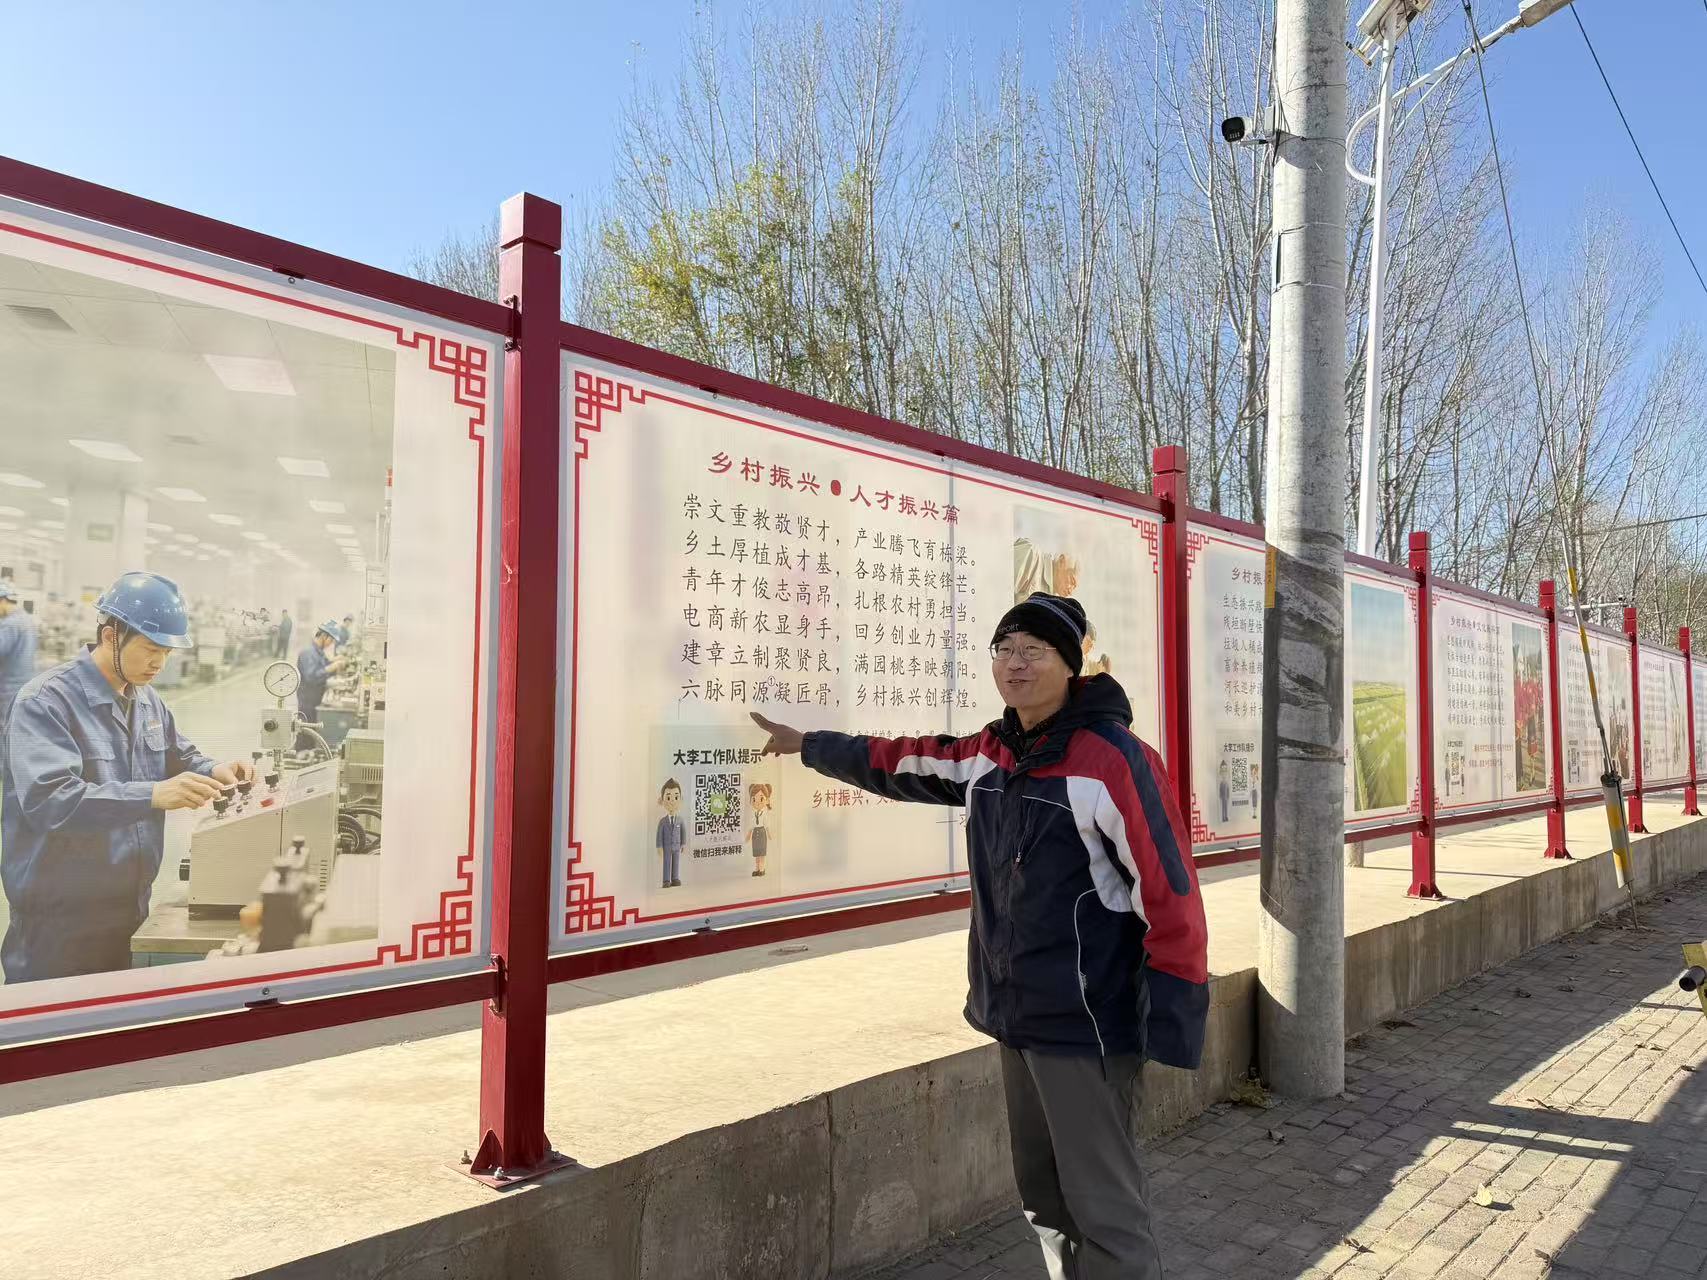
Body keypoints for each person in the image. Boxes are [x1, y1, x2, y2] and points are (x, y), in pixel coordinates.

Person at [751, 592, 1208, 1280]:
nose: (1016, 664)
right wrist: (809, 745)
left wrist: (1173, 1011)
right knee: (1043, 1197)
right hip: (1014, 1014)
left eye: (1034, 651)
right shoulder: (990, 754)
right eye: (1005, 650)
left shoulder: (1111, 759)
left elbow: (1169, 892)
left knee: (1103, 1208)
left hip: (1085, 1023)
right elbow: (901, 760)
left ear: (1070, 665)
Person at [1, 572, 256, 983]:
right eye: (152, 649)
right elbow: (51, 801)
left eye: (167, 652)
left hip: (129, 907)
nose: (160, 663)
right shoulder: (45, 702)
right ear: (111, 636)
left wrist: (214, 769)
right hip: (60, 921)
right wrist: (152, 795)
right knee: (56, 1020)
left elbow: (180, 755)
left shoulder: (147, 699)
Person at [0, 581, 40, 750]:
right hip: (24, 684)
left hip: (9, 687)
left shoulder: (10, 624)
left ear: (3, 601)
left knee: (6, 731)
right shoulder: (26, 619)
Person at [294, 620, 346, 735]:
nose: (331, 644)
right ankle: (302, 747)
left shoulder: (318, 652)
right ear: (323, 636)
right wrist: (331, 667)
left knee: (313, 732)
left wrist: (334, 662)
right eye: (331, 640)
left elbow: (324, 665)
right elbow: (311, 676)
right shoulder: (308, 653)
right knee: (306, 731)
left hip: (315, 698)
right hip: (308, 700)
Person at [655, 778, 685, 888]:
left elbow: (683, 832)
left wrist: (683, 843)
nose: (672, 801)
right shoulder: (662, 821)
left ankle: (675, 878)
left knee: (676, 862)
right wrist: (659, 846)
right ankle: (666, 880)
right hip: (666, 846)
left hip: (677, 846)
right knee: (666, 862)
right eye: (668, 797)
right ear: (661, 800)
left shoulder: (680, 820)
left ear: (681, 799)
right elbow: (659, 835)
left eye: (676, 797)